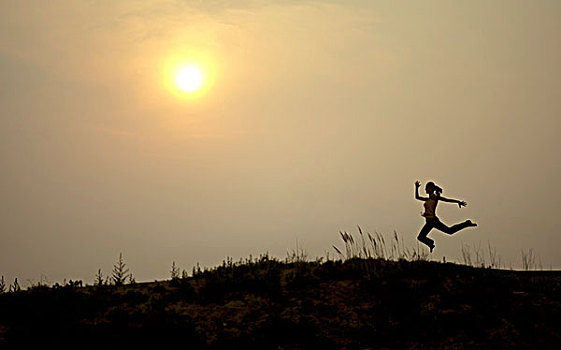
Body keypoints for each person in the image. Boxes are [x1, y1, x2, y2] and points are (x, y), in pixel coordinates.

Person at [414, 180, 477, 252]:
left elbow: (447, 200)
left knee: (449, 231)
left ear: (431, 189)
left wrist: (458, 202)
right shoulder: (428, 199)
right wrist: (416, 187)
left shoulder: (435, 197)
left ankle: (466, 223)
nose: (425, 189)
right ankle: (430, 243)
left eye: (427, 188)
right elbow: (417, 197)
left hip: (433, 221)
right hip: (429, 222)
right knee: (420, 237)